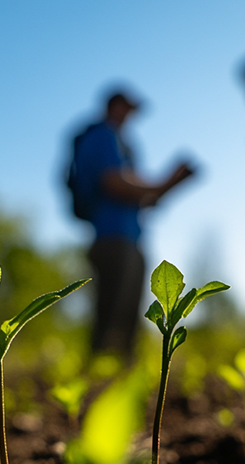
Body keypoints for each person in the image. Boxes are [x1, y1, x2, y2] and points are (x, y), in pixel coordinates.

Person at [72, 88, 197, 360]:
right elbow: (114, 183)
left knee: (129, 314)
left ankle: (121, 377)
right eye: (126, 108)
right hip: (111, 238)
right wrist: (164, 182)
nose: (130, 115)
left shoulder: (122, 142)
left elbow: (145, 199)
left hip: (131, 238)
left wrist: (171, 183)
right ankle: (99, 380)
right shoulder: (102, 136)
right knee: (111, 314)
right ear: (113, 106)